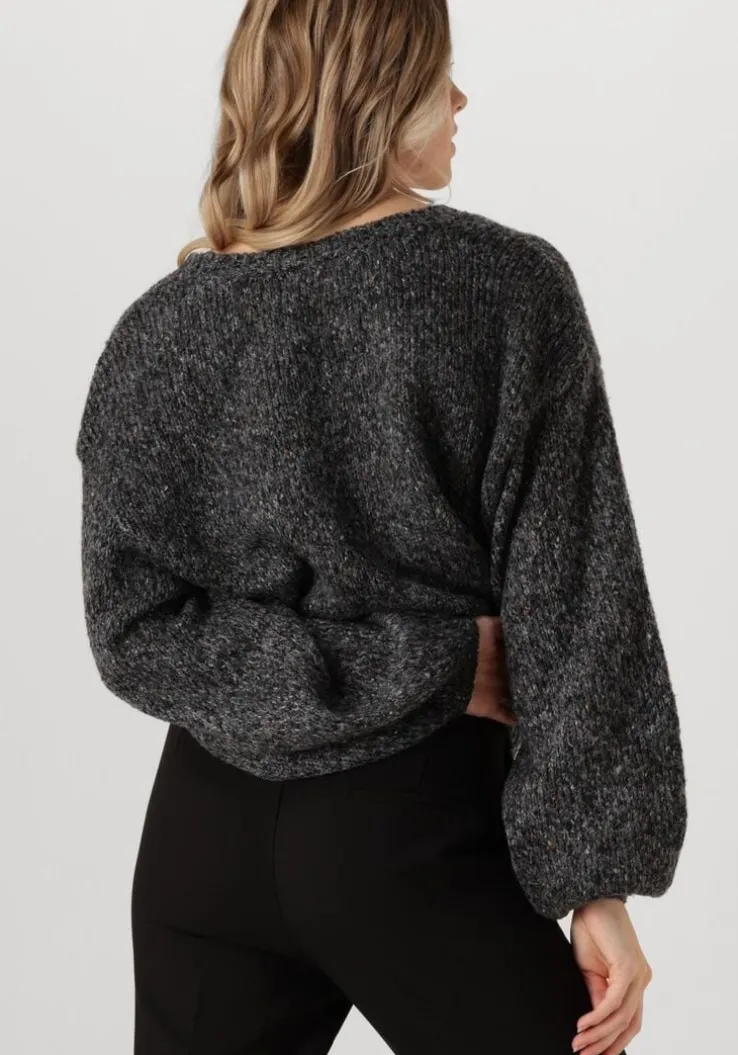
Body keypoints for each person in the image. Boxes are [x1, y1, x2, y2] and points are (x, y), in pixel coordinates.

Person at [75, 2, 687, 1053]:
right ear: (376, 91)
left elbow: (134, 631)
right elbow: (581, 604)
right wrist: (594, 881)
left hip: (201, 838)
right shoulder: (503, 289)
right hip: (410, 823)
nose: (460, 98)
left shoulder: (161, 325)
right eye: (437, 75)